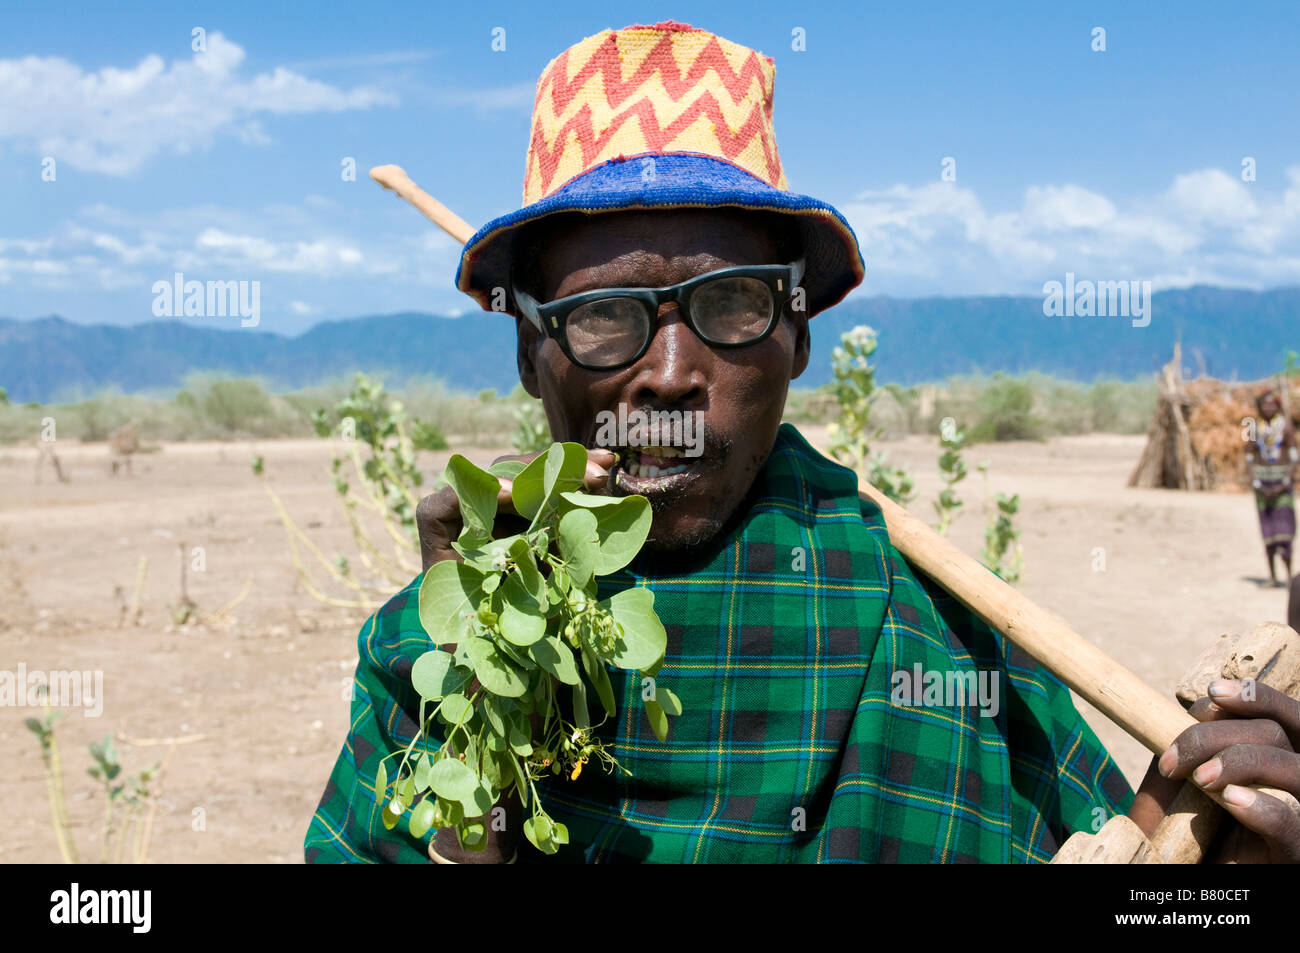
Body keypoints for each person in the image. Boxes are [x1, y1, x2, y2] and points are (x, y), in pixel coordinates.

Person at [305, 21, 1300, 864]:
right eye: (605, 317)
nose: (667, 373)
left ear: (797, 337)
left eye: (730, 303)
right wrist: (475, 800)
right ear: (531, 353)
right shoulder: (442, 647)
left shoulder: (930, 622)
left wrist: (1201, 851)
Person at [1246, 389, 1299, 587]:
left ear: (1277, 406)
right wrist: (1256, 482)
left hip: (1282, 487)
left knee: (1285, 531)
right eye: (1264, 404)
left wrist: (1285, 481)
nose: (1268, 407)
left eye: (1272, 404)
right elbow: (1249, 456)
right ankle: (1272, 577)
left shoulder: (1285, 426)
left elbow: (1294, 456)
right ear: (1259, 406)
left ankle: (1289, 576)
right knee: (1268, 531)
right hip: (1262, 487)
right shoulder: (1252, 426)